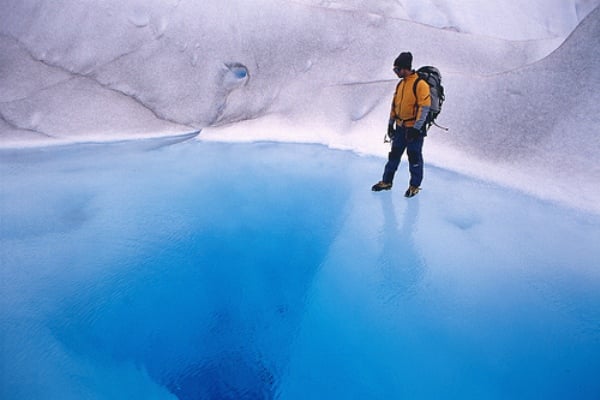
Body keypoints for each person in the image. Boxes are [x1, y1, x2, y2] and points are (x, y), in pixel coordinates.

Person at [372, 52, 431, 197]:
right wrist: (390, 124)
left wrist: (416, 129)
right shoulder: (401, 84)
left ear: (405, 68)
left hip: (413, 129)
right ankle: (386, 182)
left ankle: (414, 186)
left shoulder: (420, 84)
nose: (396, 72)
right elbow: (395, 105)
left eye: (397, 69)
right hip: (400, 127)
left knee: (414, 157)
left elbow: (424, 108)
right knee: (394, 155)